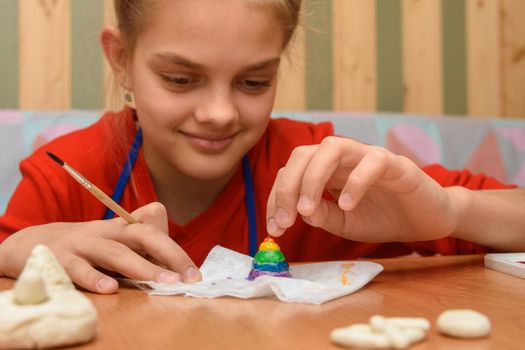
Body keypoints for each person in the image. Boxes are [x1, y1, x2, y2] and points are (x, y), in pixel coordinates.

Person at [0, 0, 524, 295]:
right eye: (181, 79)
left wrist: (449, 210)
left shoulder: (325, 169)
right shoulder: (63, 176)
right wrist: (11, 255)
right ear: (120, 60)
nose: (221, 113)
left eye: (254, 83)